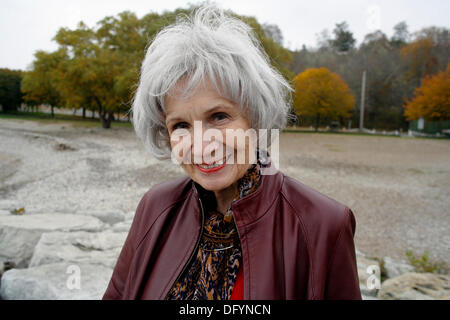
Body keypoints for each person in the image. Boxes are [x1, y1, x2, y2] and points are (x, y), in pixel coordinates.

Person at [103, 5, 361, 300]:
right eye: (181, 125)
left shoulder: (324, 224)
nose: (201, 146)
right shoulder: (155, 207)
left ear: (255, 117)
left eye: (219, 117)